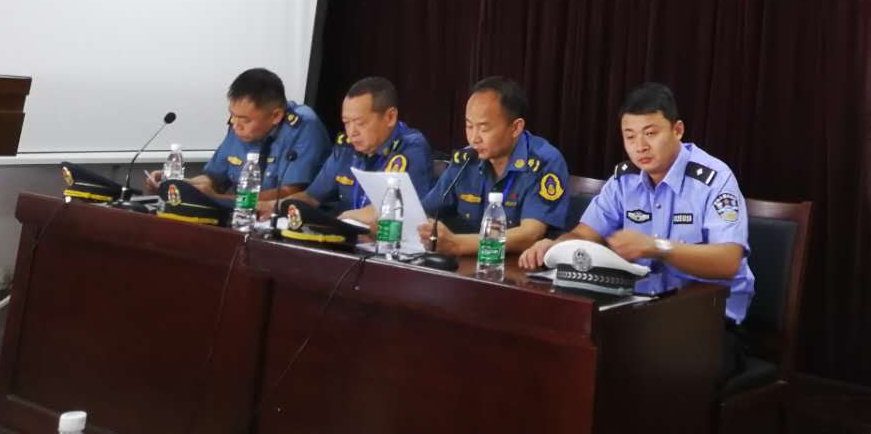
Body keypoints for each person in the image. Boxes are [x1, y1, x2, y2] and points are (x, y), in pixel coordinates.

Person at [519, 82, 755, 381]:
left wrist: (656, 247)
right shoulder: (624, 180)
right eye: (629, 136)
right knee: (564, 351)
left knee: (647, 372)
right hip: (641, 315)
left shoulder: (714, 179)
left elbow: (728, 260)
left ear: (678, 130)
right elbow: (584, 234)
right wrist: (554, 245)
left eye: (650, 133)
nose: (640, 146)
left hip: (710, 322)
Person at [414, 77, 570, 258]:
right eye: (469, 126)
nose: (474, 138)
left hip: (520, 266)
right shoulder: (466, 159)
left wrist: (457, 244)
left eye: (484, 128)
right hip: (470, 263)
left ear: (516, 128)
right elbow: (426, 211)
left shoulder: (544, 162)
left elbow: (529, 235)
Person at [146, 67, 331, 203]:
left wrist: (221, 199)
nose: (235, 125)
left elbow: (291, 192)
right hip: (239, 216)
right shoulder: (238, 125)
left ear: (276, 116)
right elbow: (214, 179)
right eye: (232, 115)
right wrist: (179, 184)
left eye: (245, 120)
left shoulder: (303, 126)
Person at [276, 76, 434, 218]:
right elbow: (312, 197)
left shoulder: (410, 147)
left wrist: (345, 219)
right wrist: (274, 206)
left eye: (360, 123)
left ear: (390, 117)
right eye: (346, 122)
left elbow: (392, 210)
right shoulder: (346, 147)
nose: (352, 132)